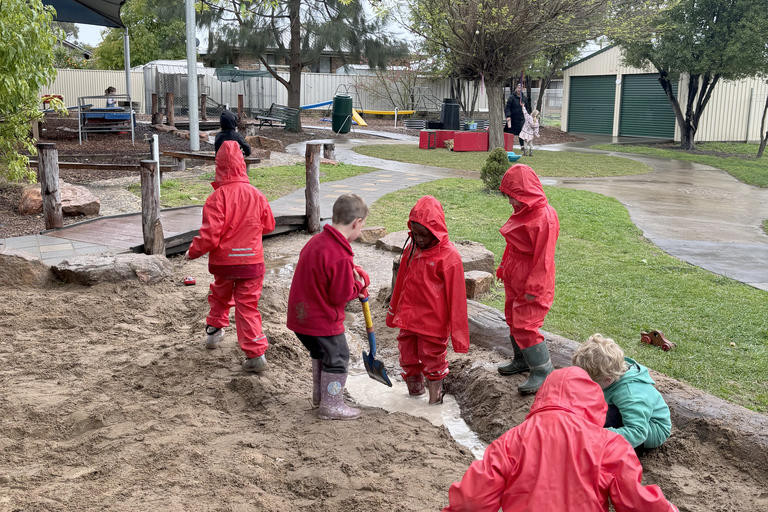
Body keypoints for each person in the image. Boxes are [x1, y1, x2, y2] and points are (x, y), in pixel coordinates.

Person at [443, 367, 679, 512]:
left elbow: (472, 501)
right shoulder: (610, 445)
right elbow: (636, 502)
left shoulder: (511, 441)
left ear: (544, 395)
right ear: (594, 402)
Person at [186, 140, 275, 373]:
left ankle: (214, 333)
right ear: (242, 166)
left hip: (224, 264)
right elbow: (269, 226)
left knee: (220, 294)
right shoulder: (256, 194)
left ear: (220, 168)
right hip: (252, 263)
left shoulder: (216, 198)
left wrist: (193, 251)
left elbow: (209, 236)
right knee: (248, 307)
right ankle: (255, 354)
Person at [287, 194, 370, 420]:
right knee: (338, 356)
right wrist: (357, 286)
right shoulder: (341, 255)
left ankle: (320, 396)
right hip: (322, 319)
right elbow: (339, 296)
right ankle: (331, 404)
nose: (360, 232)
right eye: (362, 227)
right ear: (357, 223)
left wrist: (347, 275)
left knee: (321, 352)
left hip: (301, 318)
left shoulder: (317, 242)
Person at [386, 195, 469, 404]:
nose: (419, 239)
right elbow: (400, 283)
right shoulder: (411, 249)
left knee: (433, 360)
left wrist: (459, 338)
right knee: (407, 358)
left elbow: (458, 300)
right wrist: (392, 311)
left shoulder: (450, 258)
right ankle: (414, 397)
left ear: (436, 231)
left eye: (423, 235)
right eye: (415, 234)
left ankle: (434, 403)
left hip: (433, 323)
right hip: (407, 319)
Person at [496, 164, 559, 394]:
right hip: (516, 276)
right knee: (513, 318)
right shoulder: (523, 211)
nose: (512, 203)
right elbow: (513, 245)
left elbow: (544, 259)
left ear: (527, 193)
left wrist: (534, 287)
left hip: (533, 282)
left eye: (515, 197)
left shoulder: (545, 218)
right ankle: (521, 359)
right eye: (510, 198)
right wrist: (504, 268)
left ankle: (543, 370)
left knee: (527, 324)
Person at [572, 333, 672, 450]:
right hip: (630, 412)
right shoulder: (610, 373)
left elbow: (638, 432)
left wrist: (599, 435)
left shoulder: (630, 393)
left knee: (608, 416)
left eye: (590, 382)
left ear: (608, 379)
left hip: (651, 429)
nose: (585, 385)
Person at [504, 83, 526, 152]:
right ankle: (507, 146)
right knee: (509, 133)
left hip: (521, 119)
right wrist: (508, 116)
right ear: (516, 88)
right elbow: (507, 107)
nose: (520, 89)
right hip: (512, 119)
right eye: (518, 88)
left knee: (521, 133)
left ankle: (522, 146)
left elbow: (527, 108)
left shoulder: (524, 98)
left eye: (521, 88)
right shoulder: (511, 97)